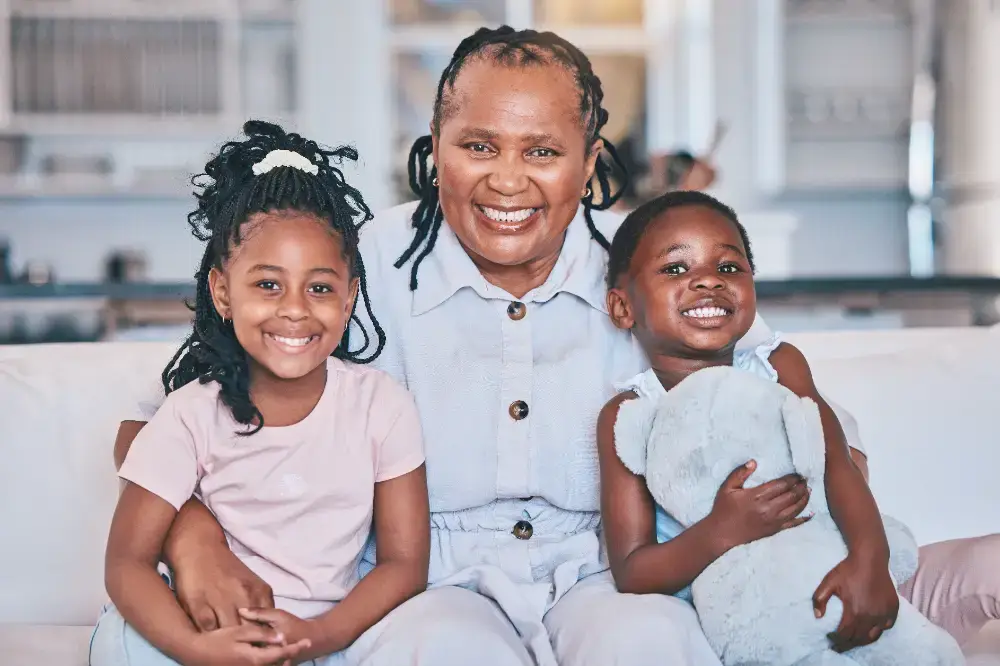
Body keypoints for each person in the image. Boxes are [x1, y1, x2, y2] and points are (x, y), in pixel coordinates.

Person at [107, 26, 999, 665]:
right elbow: (166, 421)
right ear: (434, 149)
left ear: (587, 161)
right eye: (477, 145)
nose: (506, 179)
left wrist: (851, 530)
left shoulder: (649, 264)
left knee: (650, 648)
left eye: (542, 151)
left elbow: (793, 403)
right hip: (428, 581)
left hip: (612, 572)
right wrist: (194, 540)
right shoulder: (355, 260)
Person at [91, 121, 430, 665]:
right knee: (125, 646)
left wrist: (320, 636)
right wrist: (200, 651)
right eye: (267, 284)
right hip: (199, 635)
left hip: (324, 638)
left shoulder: (382, 407)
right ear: (222, 292)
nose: (295, 308)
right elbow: (126, 564)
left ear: (349, 299)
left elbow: (404, 564)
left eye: (319, 287)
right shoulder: (191, 412)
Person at [598, 190, 963, 661]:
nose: (708, 280)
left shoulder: (780, 367)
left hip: (827, 562)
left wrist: (871, 561)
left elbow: (838, 468)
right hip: (740, 608)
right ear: (623, 307)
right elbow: (632, 570)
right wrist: (722, 529)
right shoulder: (630, 414)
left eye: (729, 268)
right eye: (675, 269)